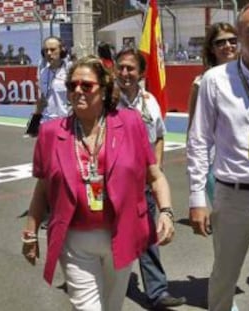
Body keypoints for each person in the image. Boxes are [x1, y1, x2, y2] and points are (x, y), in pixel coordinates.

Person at [22, 55, 175, 311]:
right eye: (72, 86)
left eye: (86, 85)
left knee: (112, 307)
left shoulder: (130, 122)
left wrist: (167, 212)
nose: (77, 91)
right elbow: (44, 188)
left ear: (103, 90)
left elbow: (155, 175)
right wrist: (30, 232)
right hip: (74, 239)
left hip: (121, 234)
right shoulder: (50, 133)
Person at [187, 2, 249, 311]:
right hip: (232, 196)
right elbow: (199, 141)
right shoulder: (215, 81)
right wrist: (197, 199)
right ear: (240, 35)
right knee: (224, 280)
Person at [115, 47, 186, 310]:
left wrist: (156, 175)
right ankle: (104, 288)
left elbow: (158, 137)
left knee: (147, 239)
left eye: (130, 68)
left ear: (141, 73)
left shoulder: (149, 101)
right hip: (113, 186)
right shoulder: (107, 100)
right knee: (110, 239)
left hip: (143, 183)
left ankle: (157, 293)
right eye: (120, 67)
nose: (124, 73)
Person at [187, 22, 238, 204]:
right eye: (221, 42)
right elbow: (194, 129)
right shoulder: (201, 83)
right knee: (225, 218)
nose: (228, 46)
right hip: (213, 163)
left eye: (233, 40)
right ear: (212, 48)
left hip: (244, 162)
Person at [35, 36, 71, 122]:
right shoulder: (43, 72)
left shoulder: (70, 71)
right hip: (45, 121)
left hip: (65, 121)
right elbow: (41, 100)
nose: (49, 53)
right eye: (46, 50)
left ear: (62, 51)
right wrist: (33, 125)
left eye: (52, 49)